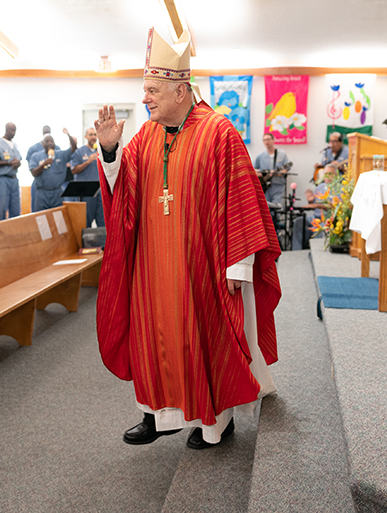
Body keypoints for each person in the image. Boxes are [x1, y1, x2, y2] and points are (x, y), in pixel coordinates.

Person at [94, 28, 281, 450]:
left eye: (153, 90)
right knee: (151, 334)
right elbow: (123, 189)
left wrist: (239, 264)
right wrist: (110, 151)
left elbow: (242, 200)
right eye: (145, 90)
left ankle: (216, 422)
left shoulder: (219, 132)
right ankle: (157, 414)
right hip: (152, 264)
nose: (145, 98)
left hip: (203, 263)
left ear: (181, 91)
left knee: (204, 337)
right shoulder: (144, 137)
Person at [292, 164, 338, 250]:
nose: (327, 176)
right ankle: (296, 252)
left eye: (330, 173)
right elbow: (313, 206)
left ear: (336, 175)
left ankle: (317, 254)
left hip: (327, 219)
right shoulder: (319, 187)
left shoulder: (339, 188)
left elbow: (335, 207)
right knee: (298, 221)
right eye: (326, 173)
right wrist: (310, 201)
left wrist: (318, 205)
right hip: (315, 217)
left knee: (321, 228)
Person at [29, 130, 77, 211]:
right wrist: (43, 164)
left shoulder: (61, 154)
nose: (50, 143)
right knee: (41, 218)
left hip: (57, 193)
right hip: (42, 193)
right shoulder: (36, 156)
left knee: (57, 218)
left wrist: (68, 135)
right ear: (42, 144)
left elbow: (74, 148)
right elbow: (34, 173)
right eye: (47, 141)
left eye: (52, 141)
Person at [70, 127, 105, 227]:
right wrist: (88, 161)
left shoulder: (101, 151)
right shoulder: (79, 152)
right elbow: (74, 170)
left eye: (95, 134)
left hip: (100, 192)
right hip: (86, 193)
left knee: (102, 221)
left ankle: (102, 242)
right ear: (86, 136)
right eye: (90, 135)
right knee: (86, 221)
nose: (93, 137)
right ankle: (85, 242)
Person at [0, 122, 22, 221]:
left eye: (15, 130)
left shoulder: (14, 144)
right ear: (6, 130)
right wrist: (8, 163)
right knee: (1, 209)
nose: (13, 132)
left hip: (14, 179)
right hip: (2, 179)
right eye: (12, 130)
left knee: (16, 210)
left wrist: (18, 163)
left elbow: (18, 159)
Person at [253, 132, 290, 207]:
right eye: (264, 140)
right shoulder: (261, 156)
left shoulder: (282, 154)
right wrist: (261, 174)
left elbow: (286, 169)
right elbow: (254, 169)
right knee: (266, 207)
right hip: (265, 186)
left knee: (277, 207)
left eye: (268, 139)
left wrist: (276, 173)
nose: (267, 141)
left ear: (273, 140)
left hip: (278, 185)